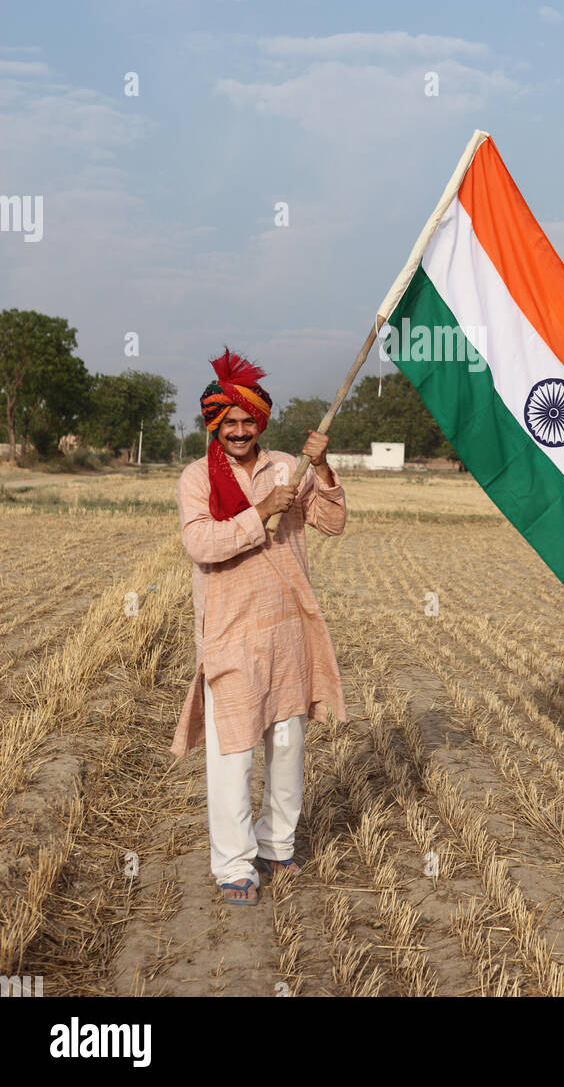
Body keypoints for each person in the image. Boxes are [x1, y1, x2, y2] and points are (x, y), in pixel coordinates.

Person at [170, 348, 347, 906]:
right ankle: (233, 866)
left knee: (289, 744)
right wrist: (263, 510)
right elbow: (202, 543)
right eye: (230, 423)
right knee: (232, 753)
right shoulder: (197, 478)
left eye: (248, 422)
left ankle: (277, 845)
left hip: (288, 630)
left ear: (260, 423)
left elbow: (333, 523)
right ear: (215, 427)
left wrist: (320, 470)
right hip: (229, 632)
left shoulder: (287, 468)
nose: (240, 431)